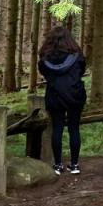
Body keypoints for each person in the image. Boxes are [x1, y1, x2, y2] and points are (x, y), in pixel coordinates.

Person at [37, 25, 88, 176]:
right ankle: (74, 165)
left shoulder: (45, 58)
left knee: (57, 128)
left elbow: (44, 73)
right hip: (75, 94)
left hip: (55, 95)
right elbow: (81, 70)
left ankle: (58, 165)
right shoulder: (77, 56)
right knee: (74, 129)